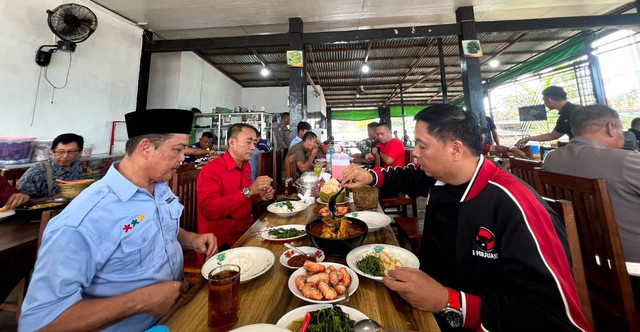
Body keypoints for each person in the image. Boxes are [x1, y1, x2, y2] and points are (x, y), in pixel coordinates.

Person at [341, 104, 590, 331]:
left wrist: (447, 301)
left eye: (422, 145)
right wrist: (371, 177)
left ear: (456, 149)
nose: (414, 153)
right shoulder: (441, 176)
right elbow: (408, 176)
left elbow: (551, 316)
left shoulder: (515, 205)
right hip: (425, 307)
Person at [19, 109, 218, 332]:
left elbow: (158, 226)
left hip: (177, 314)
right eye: (178, 149)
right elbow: (38, 324)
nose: (183, 157)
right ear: (146, 148)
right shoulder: (84, 219)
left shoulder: (159, 187)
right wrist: (140, 301)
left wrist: (191, 239)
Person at [543, 105, 640, 265]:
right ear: (611, 127)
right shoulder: (627, 161)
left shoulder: (551, 159)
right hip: (631, 263)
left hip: (582, 257)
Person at [197, 123, 274, 257]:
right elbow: (209, 210)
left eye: (255, 142)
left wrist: (259, 196)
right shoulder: (211, 170)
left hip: (246, 232)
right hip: (220, 242)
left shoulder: (246, 166)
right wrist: (249, 191)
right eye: (249, 142)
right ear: (232, 142)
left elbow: (244, 200)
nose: (253, 147)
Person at [18, 133, 84, 199]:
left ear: (79, 152)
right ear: (52, 151)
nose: (65, 156)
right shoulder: (37, 172)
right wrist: (57, 197)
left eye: (71, 152)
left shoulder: (77, 165)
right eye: (61, 152)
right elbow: (23, 202)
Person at [516, 86, 582, 148]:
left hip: (584, 150)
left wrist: (529, 138)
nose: (545, 103)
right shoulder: (576, 109)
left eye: (544, 100)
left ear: (549, 100)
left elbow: (553, 135)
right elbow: (554, 135)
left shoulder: (569, 113)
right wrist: (529, 138)